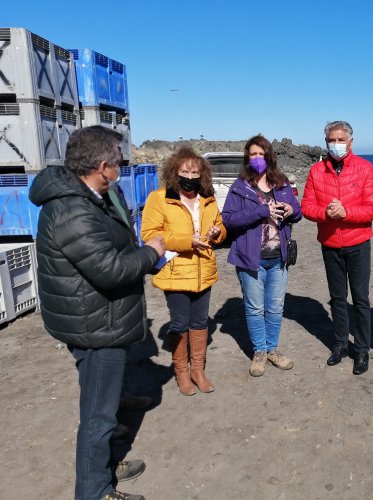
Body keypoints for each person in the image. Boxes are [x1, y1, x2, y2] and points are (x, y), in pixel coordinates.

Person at [29, 126, 166, 500]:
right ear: (103, 165)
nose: (121, 170)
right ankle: (95, 490)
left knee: (102, 404)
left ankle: (104, 463)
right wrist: (152, 252)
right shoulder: (73, 209)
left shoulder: (90, 195)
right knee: (98, 416)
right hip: (95, 324)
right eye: (118, 164)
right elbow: (109, 269)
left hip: (95, 316)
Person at [141, 147, 226, 395]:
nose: (189, 176)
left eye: (195, 172)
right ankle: (181, 371)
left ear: (202, 175)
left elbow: (220, 227)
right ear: (174, 172)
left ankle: (197, 369)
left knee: (200, 322)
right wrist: (188, 240)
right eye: (185, 171)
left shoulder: (207, 199)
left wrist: (216, 233)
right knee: (180, 322)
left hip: (203, 269)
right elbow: (150, 235)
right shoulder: (159, 198)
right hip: (176, 271)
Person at [301, 121, 373, 375]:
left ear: (350, 142)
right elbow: (306, 207)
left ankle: (362, 349)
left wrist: (346, 213)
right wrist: (326, 213)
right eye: (331, 140)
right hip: (330, 244)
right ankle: (339, 344)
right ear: (326, 143)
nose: (336, 144)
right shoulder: (316, 171)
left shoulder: (365, 168)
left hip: (358, 243)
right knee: (337, 298)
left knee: (360, 299)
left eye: (340, 140)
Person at [222, 135, 302, 377]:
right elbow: (228, 220)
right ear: (247, 157)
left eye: (261, 154)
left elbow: (298, 212)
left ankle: (272, 349)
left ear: (269, 156)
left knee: (276, 307)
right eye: (253, 154)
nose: (257, 158)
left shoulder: (282, 183)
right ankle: (259, 351)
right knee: (255, 308)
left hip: (279, 256)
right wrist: (261, 210)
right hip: (250, 257)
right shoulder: (240, 187)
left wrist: (291, 209)